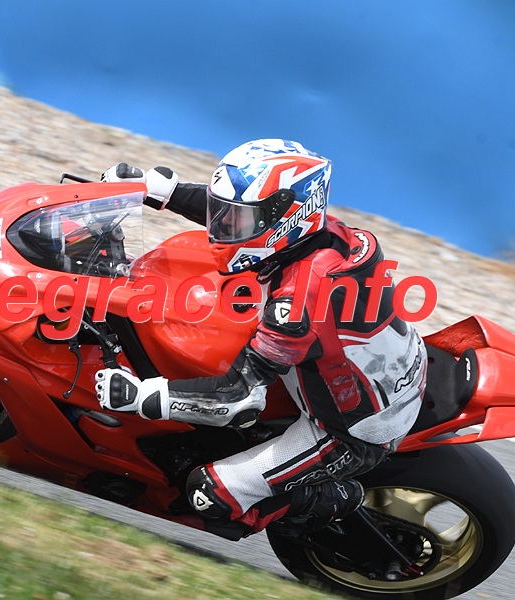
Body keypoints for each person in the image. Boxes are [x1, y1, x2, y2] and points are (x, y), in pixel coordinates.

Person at [95, 139, 428, 540]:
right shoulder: (329, 234)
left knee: (210, 495)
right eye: (226, 214)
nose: (223, 227)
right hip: (393, 366)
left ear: (288, 218)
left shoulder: (297, 305)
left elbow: (238, 399)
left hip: (353, 429)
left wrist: (141, 396)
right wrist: (166, 192)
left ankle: (336, 497)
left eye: (235, 218)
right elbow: (250, 222)